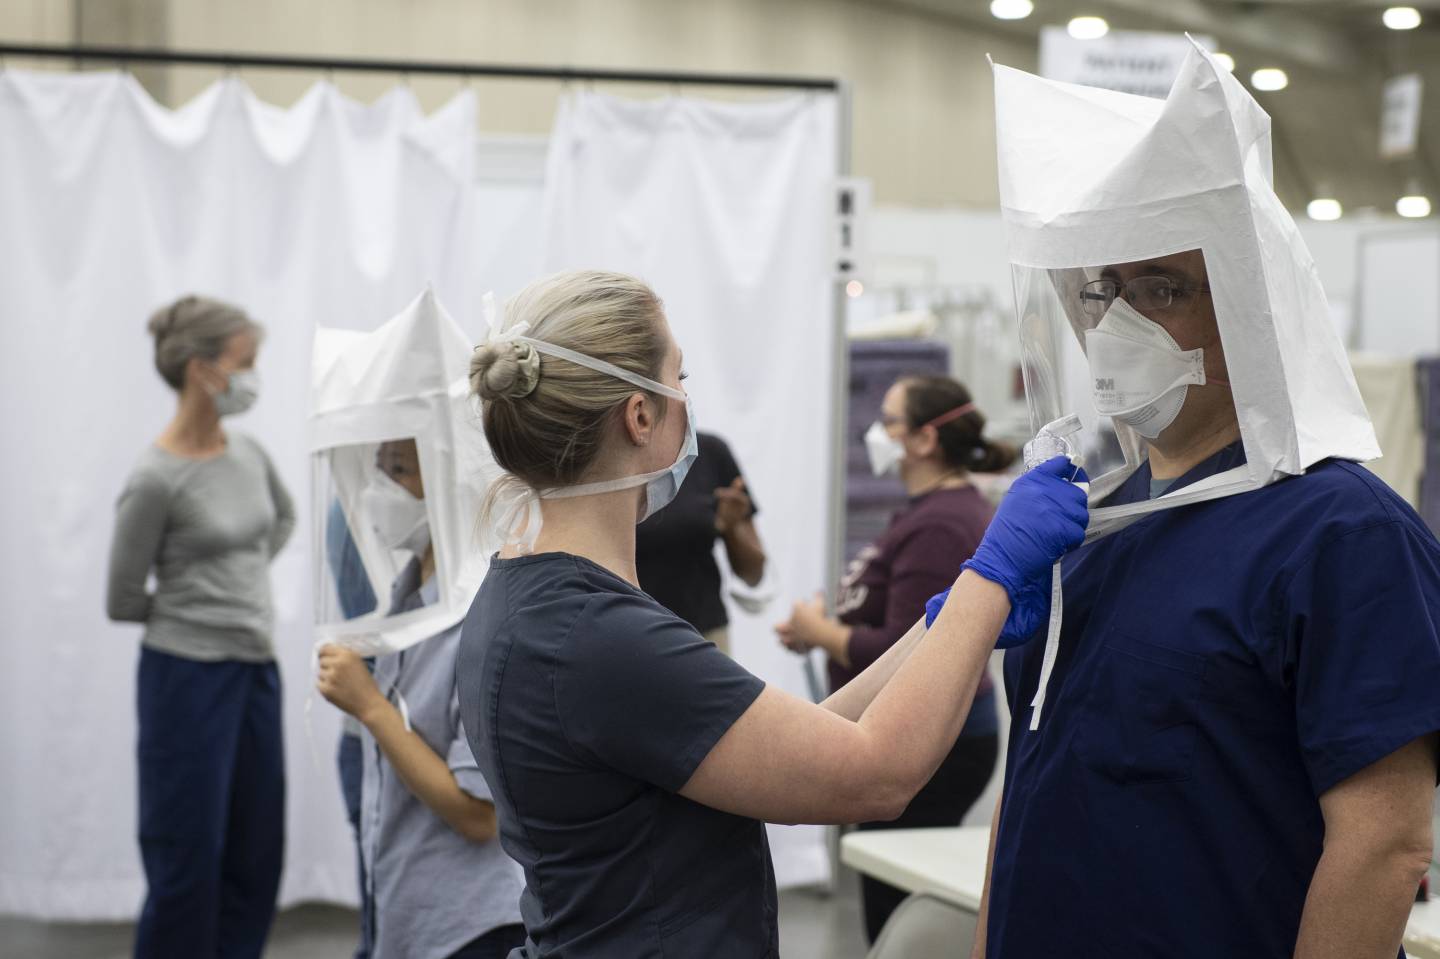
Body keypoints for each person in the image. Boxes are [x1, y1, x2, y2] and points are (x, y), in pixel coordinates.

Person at [457, 270, 1088, 957]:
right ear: (639, 416)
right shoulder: (598, 638)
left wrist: (941, 629)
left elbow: (806, 741)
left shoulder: (531, 601)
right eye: (680, 376)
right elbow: (875, 774)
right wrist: (990, 575)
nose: (687, 399)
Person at [951, 247, 1440, 959]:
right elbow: (1032, 774)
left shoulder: (1343, 532)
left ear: (1251, 308)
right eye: (1098, 292)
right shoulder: (1090, 523)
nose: (1118, 322)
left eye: (1160, 288)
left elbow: (1385, 844)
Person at [778, 373, 1012, 943]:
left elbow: (907, 648)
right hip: (921, 728)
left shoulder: (942, 522)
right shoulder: (930, 510)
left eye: (889, 421)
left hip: (933, 737)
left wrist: (821, 631)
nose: (877, 434)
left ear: (925, 440)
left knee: (893, 905)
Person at [105, 295, 294, 959]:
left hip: (255, 670)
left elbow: (282, 519)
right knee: (186, 863)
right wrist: (201, 607)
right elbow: (123, 597)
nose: (254, 376)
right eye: (246, 362)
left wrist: (236, 586)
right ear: (200, 369)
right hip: (184, 678)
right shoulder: (153, 479)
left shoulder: (248, 453)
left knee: (255, 854)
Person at [317, 439, 526, 959]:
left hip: (471, 926)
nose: (378, 489)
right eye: (379, 468)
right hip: (410, 911)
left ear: (450, 484)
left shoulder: (478, 617)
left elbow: (477, 817)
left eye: (400, 470)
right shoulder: (407, 598)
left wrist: (368, 705)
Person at [635, 430, 766, 653]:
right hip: (627, 634)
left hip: (703, 634)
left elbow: (754, 574)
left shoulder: (710, 452)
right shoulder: (610, 453)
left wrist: (732, 527)